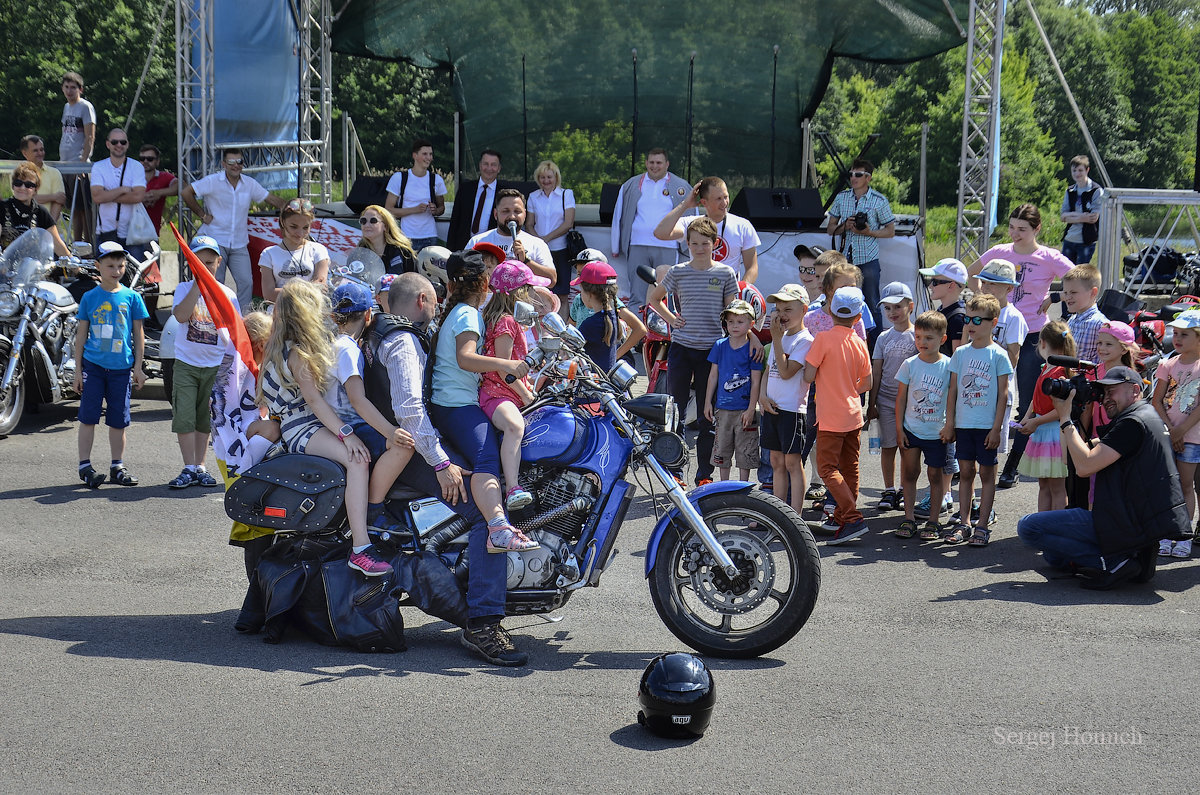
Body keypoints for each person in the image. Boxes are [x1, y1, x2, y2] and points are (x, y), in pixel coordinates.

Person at [360, 272, 527, 665]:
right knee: (489, 511)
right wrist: (441, 463)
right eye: (433, 301)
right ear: (422, 299)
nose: (436, 308)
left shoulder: (379, 332)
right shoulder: (402, 341)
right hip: (411, 450)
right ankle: (483, 622)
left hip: (398, 442)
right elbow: (411, 411)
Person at [256, 279, 392, 577]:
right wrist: (347, 434)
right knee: (358, 460)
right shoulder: (299, 354)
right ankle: (361, 547)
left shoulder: (288, 347)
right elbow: (315, 402)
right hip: (302, 426)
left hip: (301, 423)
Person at [1016, 365, 1191, 590]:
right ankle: (1130, 555)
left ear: (1135, 390)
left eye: (1112, 392)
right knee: (1053, 557)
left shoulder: (1132, 423)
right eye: (1104, 393)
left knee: (1029, 528)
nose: (1106, 399)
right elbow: (1084, 450)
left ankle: (1116, 561)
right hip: (1140, 524)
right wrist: (1072, 413)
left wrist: (1065, 417)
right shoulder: (1145, 415)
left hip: (1123, 523)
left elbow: (1084, 467)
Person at [428, 249, 538, 552]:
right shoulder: (468, 313)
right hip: (455, 403)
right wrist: (505, 365)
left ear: (450, 285)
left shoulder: (458, 311)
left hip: (453, 401)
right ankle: (498, 528)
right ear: (485, 282)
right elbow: (465, 359)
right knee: (486, 458)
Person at [972, 204, 1074, 488]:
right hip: (995, 332)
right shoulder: (999, 252)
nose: (1015, 234)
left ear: (1037, 229)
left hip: (1032, 336)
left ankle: (1012, 466)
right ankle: (975, 457)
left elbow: (1082, 279)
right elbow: (969, 273)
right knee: (985, 395)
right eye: (1012, 227)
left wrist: (1055, 297)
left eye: (1023, 229)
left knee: (1028, 402)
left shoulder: (1049, 257)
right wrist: (982, 299)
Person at [647, 217, 741, 486]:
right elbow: (655, 299)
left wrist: (745, 340)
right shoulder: (678, 271)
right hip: (681, 348)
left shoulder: (725, 273)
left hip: (712, 351)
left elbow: (733, 312)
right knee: (674, 411)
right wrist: (672, 318)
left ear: (715, 244)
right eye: (695, 243)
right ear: (687, 244)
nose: (700, 248)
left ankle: (704, 475)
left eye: (705, 243)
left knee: (706, 415)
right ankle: (675, 471)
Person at [324, 282, 417, 535]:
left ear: (334, 316)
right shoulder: (348, 351)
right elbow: (357, 399)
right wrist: (390, 432)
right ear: (368, 315)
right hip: (353, 424)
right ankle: (374, 510)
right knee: (403, 447)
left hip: (337, 423)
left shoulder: (333, 343)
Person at [71, 240, 149, 489]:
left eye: (121, 265)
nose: (116, 270)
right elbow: (81, 336)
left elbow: (138, 335)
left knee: (119, 420)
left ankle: (117, 466)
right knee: (88, 418)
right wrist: (78, 370)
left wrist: (138, 367)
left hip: (121, 369)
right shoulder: (89, 298)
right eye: (110, 265)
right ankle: (85, 466)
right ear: (98, 266)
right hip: (93, 368)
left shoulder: (132, 297)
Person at [167, 235, 238, 490]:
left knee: (205, 418)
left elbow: (235, 331)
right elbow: (181, 315)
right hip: (187, 363)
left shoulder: (227, 294)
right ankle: (188, 466)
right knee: (185, 416)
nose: (204, 267)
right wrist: (199, 285)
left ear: (219, 262)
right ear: (190, 262)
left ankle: (200, 466)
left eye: (209, 263)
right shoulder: (184, 289)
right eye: (199, 262)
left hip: (215, 366)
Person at [942, 294, 1012, 547]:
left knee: (987, 475)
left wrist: (997, 428)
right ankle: (964, 522)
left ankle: (982, 524)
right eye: (967, 319)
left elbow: (1003, 395)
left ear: (993, 322)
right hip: (964, 424)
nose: (970, 324)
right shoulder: (960, 353)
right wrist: (950, 423)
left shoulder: (999, 355)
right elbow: (953, 391)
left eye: (977, 319)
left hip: (986, 427)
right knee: (967, 472)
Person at [804, 286, 872, 544]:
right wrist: (847, 388)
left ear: (831, 311)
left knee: (827, 468)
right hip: (853, 414)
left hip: (830, 416)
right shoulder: (859, 342)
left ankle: (852, 518)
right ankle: (845, 518)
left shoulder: (822, 339)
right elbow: (866, 383)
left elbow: (809, 375)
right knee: (849, 467)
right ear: (858, 317)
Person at [181, 148, 289, 309]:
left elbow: (272, 199)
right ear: (224, 164)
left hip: (239, 242)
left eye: (239, 162)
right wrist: (202, 214)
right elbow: (186, 192)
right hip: (215, 240)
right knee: (215, 282)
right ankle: (214, 317)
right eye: (231, 162)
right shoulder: (213, 181)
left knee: (246, 282)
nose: (236, 165)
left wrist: (293, 206)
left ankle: (243, 321)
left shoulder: (249, 183)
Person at [480, 260, 548, 510]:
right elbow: (503, 366)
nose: (532, 295)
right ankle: (513, 488)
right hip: (498, 394)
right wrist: (527, 395)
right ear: (517, 293)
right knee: (514, 426)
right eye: (528, 289)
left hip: (506, 393)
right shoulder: (507, 321)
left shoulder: (504, 319)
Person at [611, 148, 692, 310]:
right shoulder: (631, 185)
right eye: (652, 162)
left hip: (668, 246)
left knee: (666, 294)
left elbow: (691, 218)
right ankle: (638, 333)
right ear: (646, 163)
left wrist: (689, 247)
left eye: (659, 163)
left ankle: (665, 334)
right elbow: (618, 215)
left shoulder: (682, 186)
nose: (655, 166)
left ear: (667, 164)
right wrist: (615, 246)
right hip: (637, 246)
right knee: (638, 294)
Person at [894, 311, 951, 540]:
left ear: (942, 339)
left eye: (928, 338)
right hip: (911, 430)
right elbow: (900, 399)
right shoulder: (909, 364)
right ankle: (909, 518)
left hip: (937, 432)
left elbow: (952, 399)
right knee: (909, 474)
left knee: (935, 476)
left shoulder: (949, 366)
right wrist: (899, 429)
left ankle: (933, 521)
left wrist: (950, 426)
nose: (922, 342)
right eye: (918, 337)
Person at [825, 159, 895, 336]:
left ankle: (874, 348)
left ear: (868, 178)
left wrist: (869, 232)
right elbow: (830, 229)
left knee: (872, 303)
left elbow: (890, 231)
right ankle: (841, 337)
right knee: (838, 300)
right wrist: (844, 226)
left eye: (858, 174)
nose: (853, 178)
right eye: (851, 174)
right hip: (844, 260)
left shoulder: (879, 200)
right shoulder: (842, 197)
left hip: (868, 258)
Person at [760, 286, 813, 514]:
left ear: (803, 310)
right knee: (776, 462)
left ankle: (796, 515)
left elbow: (786, 372)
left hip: (792, 410)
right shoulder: (780, 337)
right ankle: (779, 511)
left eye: (788, 309)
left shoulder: (804, 340)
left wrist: (777, 340)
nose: (782, 314)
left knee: (792, 463)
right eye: (779, 308)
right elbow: (769, 369)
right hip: (771, 407)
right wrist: (762, 395)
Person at [1153, 310, 1200, 559]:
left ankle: (1183, 535)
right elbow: (1157, 401)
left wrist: (1181, 430)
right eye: (1176, 333)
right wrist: (1171, 430)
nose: (1177, 338)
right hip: (1168, 434)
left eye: (1185, 334)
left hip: (1193, 438)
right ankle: (1165, 532)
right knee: (1168, 486)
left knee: (1185, 486)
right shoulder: (1167, 364)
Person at [1015, 321, 1075, 513]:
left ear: (1041, 343)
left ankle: (1055, 527)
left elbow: (1062, 410)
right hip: (1041, 430)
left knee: (1057, 487)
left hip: (1055, 433)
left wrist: (1036, 421)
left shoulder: (1059, 372)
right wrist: (1027, 416)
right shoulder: (1047, 367)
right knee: (1043, 484)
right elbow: (1036, 396)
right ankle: (1042, 523)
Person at [867, 282, 917, 512]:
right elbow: (876, 371)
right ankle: (889, 490)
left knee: (907, 447)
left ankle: (906, 489)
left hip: (912, 402)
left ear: (910, 306)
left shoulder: (918, 335)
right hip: (886, 400)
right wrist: (871, 402)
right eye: (887, 308)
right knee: (888, 447)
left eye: (898, 306)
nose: (892, 312)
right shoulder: (883, 338)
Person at [654, 176, 761, 282]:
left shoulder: (743, 226)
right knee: (661, 270)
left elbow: (752, 268)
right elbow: (660, 233)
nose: (724, 203)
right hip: (696, 290)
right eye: (718, 199)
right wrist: (684, 205)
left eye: (726, 197)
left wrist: (741, 292)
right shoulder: (692, 223)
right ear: (704, 202)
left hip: (728, 291)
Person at [702, 299, 763, 483]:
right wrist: (707, 402)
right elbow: (713, 375)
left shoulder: (754, 349)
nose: (734, 326)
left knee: (746, 450)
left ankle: (743, 486)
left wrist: (752, 408)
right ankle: (724, 485)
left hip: (744, 408)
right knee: (722, 450)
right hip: (723, 408)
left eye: (740, 321)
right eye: (730, 322)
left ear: (751, 324)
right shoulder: (720, 345)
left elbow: (756, 380)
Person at [976, 260, 1027, 465]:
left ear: (1008, 288)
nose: (987, 288)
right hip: (973, 387)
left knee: (991, 449)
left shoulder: (1014, 317)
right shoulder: (977, 311)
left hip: (998, 388)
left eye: (993, 284)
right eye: (984, 283)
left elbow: (1013, 359)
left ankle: (987, 491)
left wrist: (991, 342)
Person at [467, 188, 556, 285]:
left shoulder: (537, 244)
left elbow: (552, 281)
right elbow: (463, 273)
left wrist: (526, 261)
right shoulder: (477, 241)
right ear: (496, 214)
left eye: (517, 211)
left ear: (525, 214)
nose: (512, 216)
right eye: (506, 211)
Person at [575, 261, 644, 372]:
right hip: (607, 379)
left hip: (593, 381)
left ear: (590, 294)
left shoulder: (590, 324)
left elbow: (570, 350)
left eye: (581, 290)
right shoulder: (613, 317)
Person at [258, 199, 331, 303]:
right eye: (294, 227)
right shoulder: (268, 254)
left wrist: (285, 292)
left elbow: (321, 288)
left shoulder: (318, 250)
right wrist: (309, 289)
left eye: (305, 227)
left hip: (310, 312)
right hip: (280, 313)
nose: (300, 233)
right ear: (283, 222)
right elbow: (269, 294)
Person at [525, 160, 577, 306]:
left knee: (562, 294)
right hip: (538, 252)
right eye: (543, 177)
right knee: (539, 292)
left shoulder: (566, 195)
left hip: (560, 249)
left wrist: (546, 239)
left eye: (549, 177)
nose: (546, 181)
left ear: (556, 177)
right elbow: (529, 224)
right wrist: (539, 242)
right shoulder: (533, 197)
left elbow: (568, 223)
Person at [384, 138, 447, 251]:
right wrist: (414, 209)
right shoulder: (399, 178)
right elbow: (388, 210)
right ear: (415, 155)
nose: (429, 158)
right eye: (425, 154)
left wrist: (435, 210)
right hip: (405, 235)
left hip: (430, 235)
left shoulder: (436, 180)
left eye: (431, 154)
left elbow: (441, 207)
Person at [89, 128, 146, 247]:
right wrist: (122, 190)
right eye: (115, 142)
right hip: (105, 230)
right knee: (107, 265)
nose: (119, 145)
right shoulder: (99, 167)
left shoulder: (136, 167)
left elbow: (138, 196)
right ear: (108, 144)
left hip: (133, 231)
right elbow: (97, 197)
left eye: (123, 142)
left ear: (127, 144)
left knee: (135, 266)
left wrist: (107, 195)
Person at [0, 162, 70, 255]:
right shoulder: (2, 207)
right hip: (5, 267)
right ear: (13, 186)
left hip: (33, 267)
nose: (23, 187)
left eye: (29, 185)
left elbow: (58, 244)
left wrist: (75, 266)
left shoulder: (41, 212)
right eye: (18, 183)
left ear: (35, 189)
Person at [59, 71, 95, 242]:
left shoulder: (85, 107)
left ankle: (87, 245)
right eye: (66, 87)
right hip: (65, 162)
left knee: (84, 208)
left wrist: (82, 163)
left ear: (80, 89)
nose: (69, 91)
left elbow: (90, 136)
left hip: (79, 163)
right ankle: (76, 243)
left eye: (73, 87)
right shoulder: (66, 107)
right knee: (73, 209)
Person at [447, 149, 504, 251]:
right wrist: (450, 250)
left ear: (499, 168)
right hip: (464, 246)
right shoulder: (465, 188)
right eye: (485, 164)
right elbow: (455, 220)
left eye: (493, 165)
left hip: (491, 249)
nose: (489, 168)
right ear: (480, 165)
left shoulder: (504, 193)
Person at [1060, 155, 1103, 265]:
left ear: (1087, 170)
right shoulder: (1070, 191)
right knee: (1066, 274)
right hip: (1069, 239)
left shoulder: (1096, 191)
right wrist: (1082, 216)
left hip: (1086, 241)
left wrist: (1071, 216)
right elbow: (1063, 216)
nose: (1077, 174)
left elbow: (1093, 218)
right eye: (1074, 170)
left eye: (1080, 170)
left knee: (1080, 275)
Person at [355, 204, 417, 275]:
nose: (367, 225)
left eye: (373, 221)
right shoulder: (359, 252)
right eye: (363, 221)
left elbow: (413, 279)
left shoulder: (403, 251)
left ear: (385, 226)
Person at [1063, 265, 1105, 367]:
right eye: (1065, 292)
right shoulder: (1071, 320)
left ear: (1093, 292)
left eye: (1073, 292)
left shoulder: (1100, 324)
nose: (1068, 297)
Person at [18, 134, 66, 220]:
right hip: (24, 228)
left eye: (42, 149)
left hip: (51, 229)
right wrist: (53, 197)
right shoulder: (17, 174)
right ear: (25, 153)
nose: (40, 153)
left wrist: (49, 227)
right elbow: (22, 200)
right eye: (35, 150)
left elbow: (59, 201)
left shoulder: (55, 173)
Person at [137, 144, 177, 235]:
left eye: (150, 159)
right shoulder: (130, 176)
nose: (145, 161)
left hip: (151, 232)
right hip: (127, 231)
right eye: (142, 159)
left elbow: (180, 186)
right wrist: (140, 199)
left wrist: (159, 193)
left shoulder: (163, 176)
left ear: (157, 161)